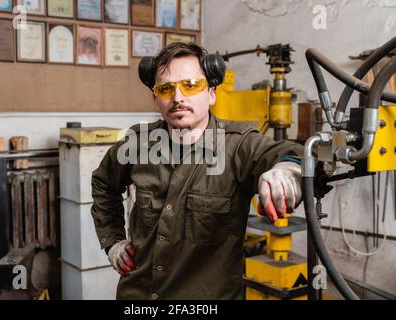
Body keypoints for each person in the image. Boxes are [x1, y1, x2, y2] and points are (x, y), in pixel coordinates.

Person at [91, 42, 304, 300]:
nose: (178, 98)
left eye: (191, 85)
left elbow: (293, 154)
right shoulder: (137, 143)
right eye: (166, 88)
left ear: (211, 93)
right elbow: (103, 184)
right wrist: (113, 241)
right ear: (155, 96)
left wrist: (288, 168)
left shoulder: (238, 146)